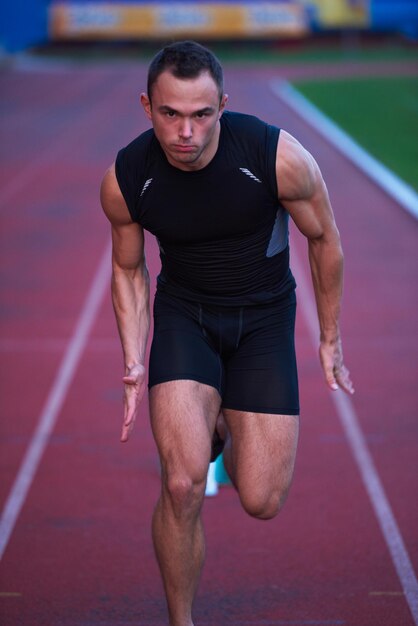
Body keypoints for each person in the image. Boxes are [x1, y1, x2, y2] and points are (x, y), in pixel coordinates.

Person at [100, 40, 354, 626]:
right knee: (184, 484)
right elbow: (128, 267)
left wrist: (330, 336)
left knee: (262, 499)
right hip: (186, 318)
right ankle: (181, 620)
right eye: (170, 114)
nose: (185, 131)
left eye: (201, 114)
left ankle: (224, 426)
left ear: (223, 105)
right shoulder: (127, 177)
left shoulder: (275, 157)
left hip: (264, 321)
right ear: (147, 106)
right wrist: (134, 359)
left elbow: (326, 239)